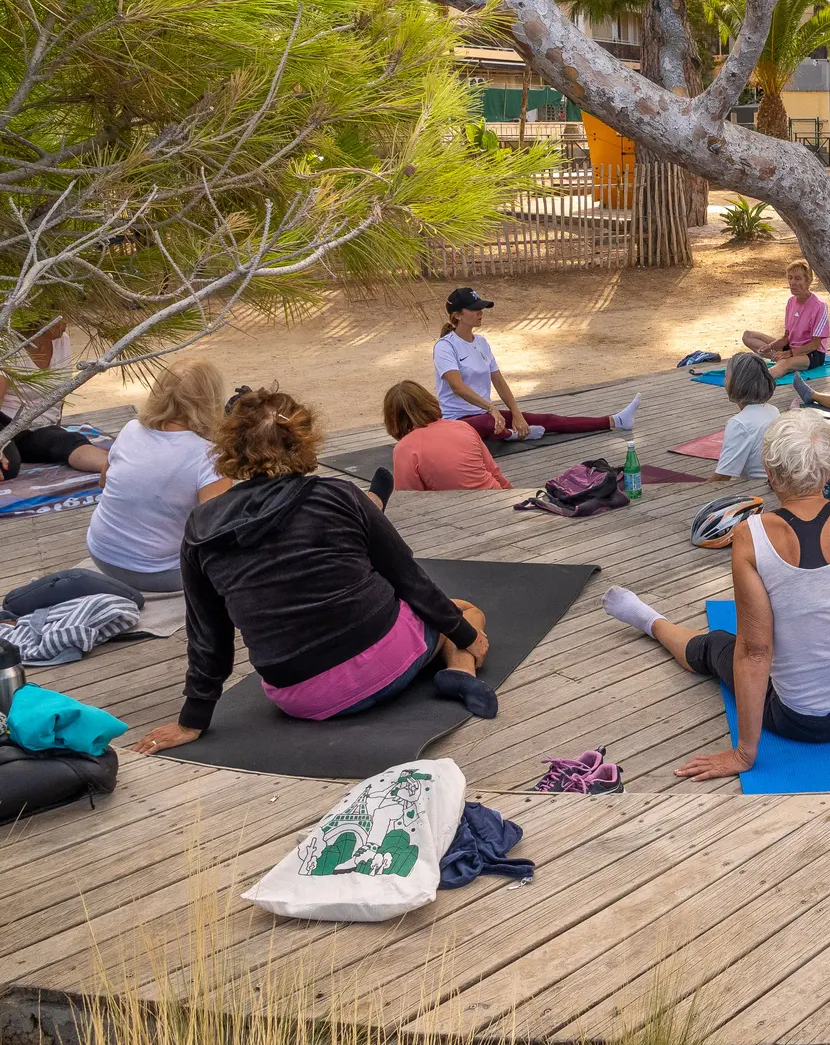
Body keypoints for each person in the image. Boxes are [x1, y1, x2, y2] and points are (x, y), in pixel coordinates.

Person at [602, 411, 830, 774]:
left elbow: (754, 650)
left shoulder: (750, 535)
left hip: (803, 723)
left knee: (714, 645)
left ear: (769, 473)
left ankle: (648, 620)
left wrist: (745, 755)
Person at [130, 389, 496, 754]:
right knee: (462, 611)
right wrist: (465, 635)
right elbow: (409, 579)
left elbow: (209, 634)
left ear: (229, 447)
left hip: (302, 699)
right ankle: (461, 670)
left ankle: (450, 649)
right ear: (303, 439)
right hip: (386, 664)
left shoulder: (200, 525)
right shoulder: (337, 495)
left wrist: (192, 719)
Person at [85, 359, 231, 593]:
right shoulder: (209, 456)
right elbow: (215, 531)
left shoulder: (131, 428)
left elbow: (104, 482)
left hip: (102, 553)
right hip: (159, 573)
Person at [437, 287, 644, 442]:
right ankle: (513, 435)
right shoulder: (445, 347)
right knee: (488, 423)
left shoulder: (481, 343)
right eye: (474, 309)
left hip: (488, 416)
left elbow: (498, 380)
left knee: (545, 419)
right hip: (458, 421)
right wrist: (491, 408)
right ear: (456, 315)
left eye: (481, 307)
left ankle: (615, 420)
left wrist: (516, 413)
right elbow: (457, 387)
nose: (480, 312)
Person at [1, 317, 111, 481]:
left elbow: (58, 395)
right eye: (60, 316)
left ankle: (115, 468)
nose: (66, 323)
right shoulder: (6, 347)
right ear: (40, 320)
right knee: (9, 467)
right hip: (5, 423)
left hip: (35, 429)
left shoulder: (62, 340)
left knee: (69, 440)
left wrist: (55, 428)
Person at [384, 380, 512, 491]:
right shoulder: (462, 426)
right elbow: (493, 470)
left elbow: (407, 497)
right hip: (494, 494)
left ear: (392, 419)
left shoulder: (405, 448)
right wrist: (511, 494)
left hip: (455, 511)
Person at [743, 260, 830, 379]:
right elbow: (786, 338)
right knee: (748, 335)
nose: (792, 282)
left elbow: (815, 344)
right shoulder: (791, 302)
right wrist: (770, 346)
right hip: (792, 347)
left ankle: (757, 381)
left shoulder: (819, 305)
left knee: (784, 363)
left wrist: (788, 354)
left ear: (808, 281)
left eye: (797, 279)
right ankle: (780, 361)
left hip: (811, 354)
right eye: (790, 278)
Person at [712, 353, 780, 481]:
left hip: (759, 490)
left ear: (738, 383)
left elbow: (722, 477)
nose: (724, 382)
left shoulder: (739, 423)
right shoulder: (773, 411)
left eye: (727, 377)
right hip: (776, 484)